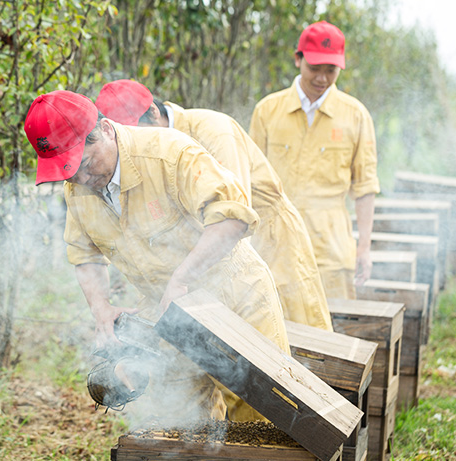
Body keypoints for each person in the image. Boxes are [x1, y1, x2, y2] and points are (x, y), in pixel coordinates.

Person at [24, 90, 290, 423]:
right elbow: (84, 253)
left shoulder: (170, 153)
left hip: (235, 298)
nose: (82, 179)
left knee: (262, 420)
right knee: (185, 423)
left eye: (86, 164)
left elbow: (233, 217)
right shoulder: (78, 190)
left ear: (106, 130)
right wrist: (101, 308)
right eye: (69, 173)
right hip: (166, 315)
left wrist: (182, 277)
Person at [95, 79, 332, 331]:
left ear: (154, 113)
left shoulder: (214, 131)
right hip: (215, 249)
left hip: (270, 237)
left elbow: (235, 214)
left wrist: (227, 287)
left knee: (301, 332)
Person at [248, 21, 380, 299]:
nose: (321, 79)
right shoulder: (267, 111)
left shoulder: (355, 115)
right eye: (314, 69)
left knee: (332, 333)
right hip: (275, 248)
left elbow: (365, 187)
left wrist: (364, 249)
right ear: (298, 60)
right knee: (274, 333)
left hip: (331, 251)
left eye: (330, 71)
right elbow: (249, 180)